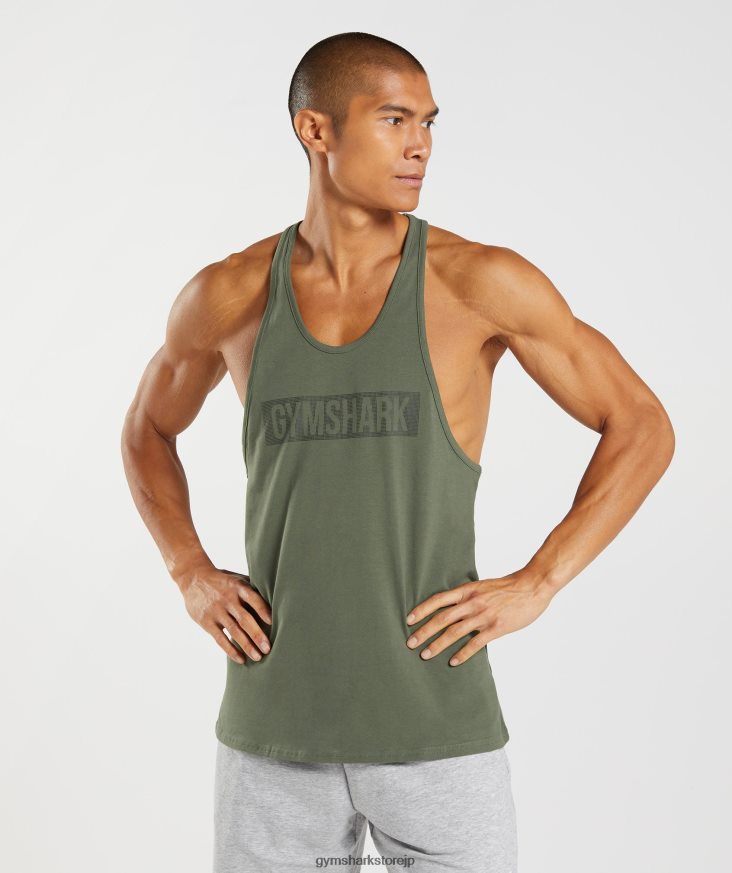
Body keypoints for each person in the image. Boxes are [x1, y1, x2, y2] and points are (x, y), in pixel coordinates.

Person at [121, 31, 675, 873]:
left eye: (428, 122)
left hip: (438, 730)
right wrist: (188, 569)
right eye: (393, 119)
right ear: (316, 130)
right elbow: (146, 428)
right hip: (274, 733)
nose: (421, 144)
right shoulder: (229, 294)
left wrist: (541, 579)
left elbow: (640, 422)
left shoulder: (477, 281)